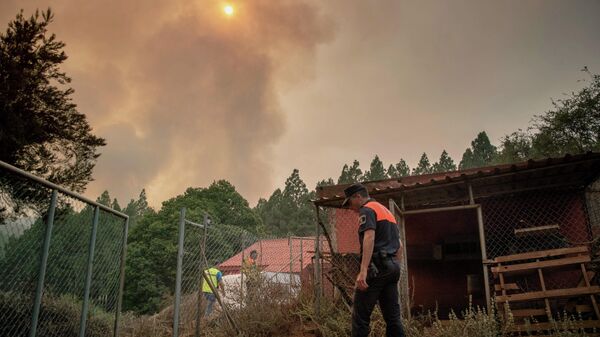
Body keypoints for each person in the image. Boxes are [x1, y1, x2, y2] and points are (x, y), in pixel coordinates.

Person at [342, 183, 405, 337]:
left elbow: (369, 236)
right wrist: (397, 266)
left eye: (350, 203)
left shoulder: (367, 209)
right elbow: (400, 244)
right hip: (392, 267)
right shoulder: (386, 211)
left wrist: (363, 271)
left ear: (358, 196)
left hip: (377, 268)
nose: (350, 208)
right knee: (393, 317)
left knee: (360, 317)